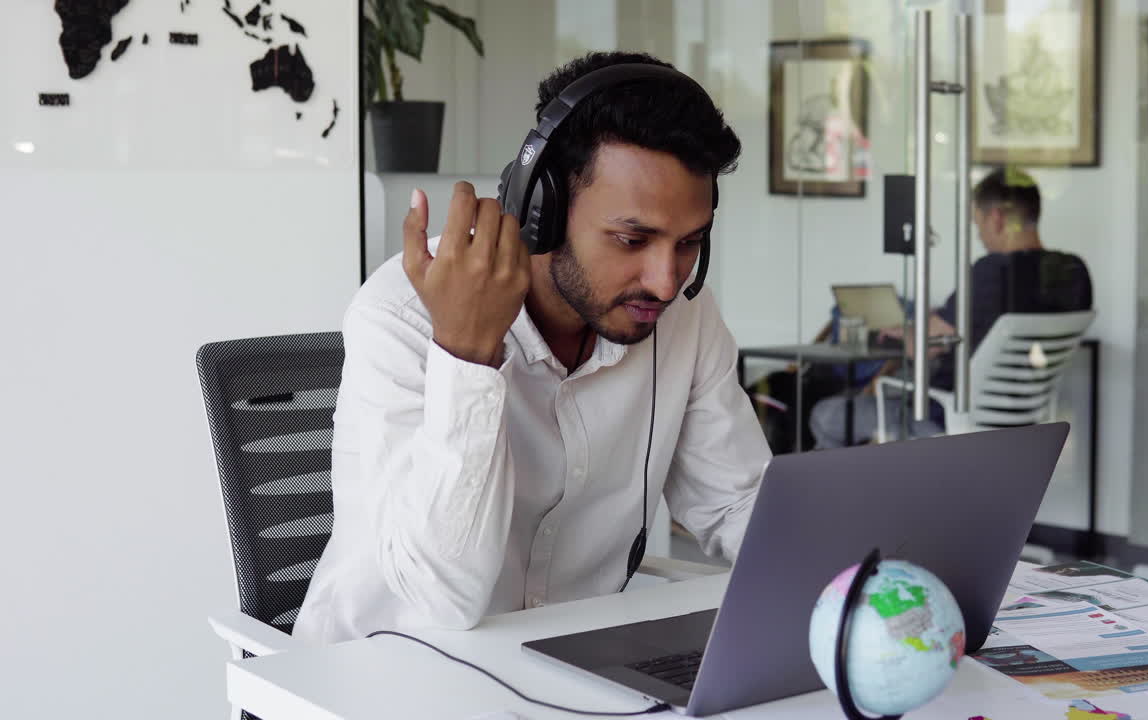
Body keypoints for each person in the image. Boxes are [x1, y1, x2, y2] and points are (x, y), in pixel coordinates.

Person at [293, 52, 770, 643]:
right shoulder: (400, 313)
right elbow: (442, 595)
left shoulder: (683, 318)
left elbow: (737, 505)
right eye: (631, 238)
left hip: (566, 675)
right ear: (539, 209)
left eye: (689, 243)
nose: (666, 281)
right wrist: (465, 355)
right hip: (384, 680)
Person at [810, 167, 1093, 447]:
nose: (980, 236)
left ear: (996, 218)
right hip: (1023, 424)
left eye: (978, 224)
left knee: (827, 415)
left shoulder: (993, 272)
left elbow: (925, 345)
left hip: (947, 421)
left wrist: (906, 332)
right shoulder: (1073, 271)